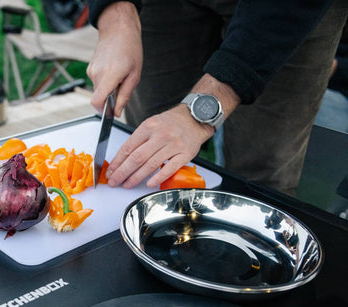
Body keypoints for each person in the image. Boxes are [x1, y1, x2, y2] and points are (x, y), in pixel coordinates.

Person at [85, 0, 348, 195]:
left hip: (284, 10)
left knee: (260, 177)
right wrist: (116, 15)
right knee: (149, 153)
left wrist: (196, 114)